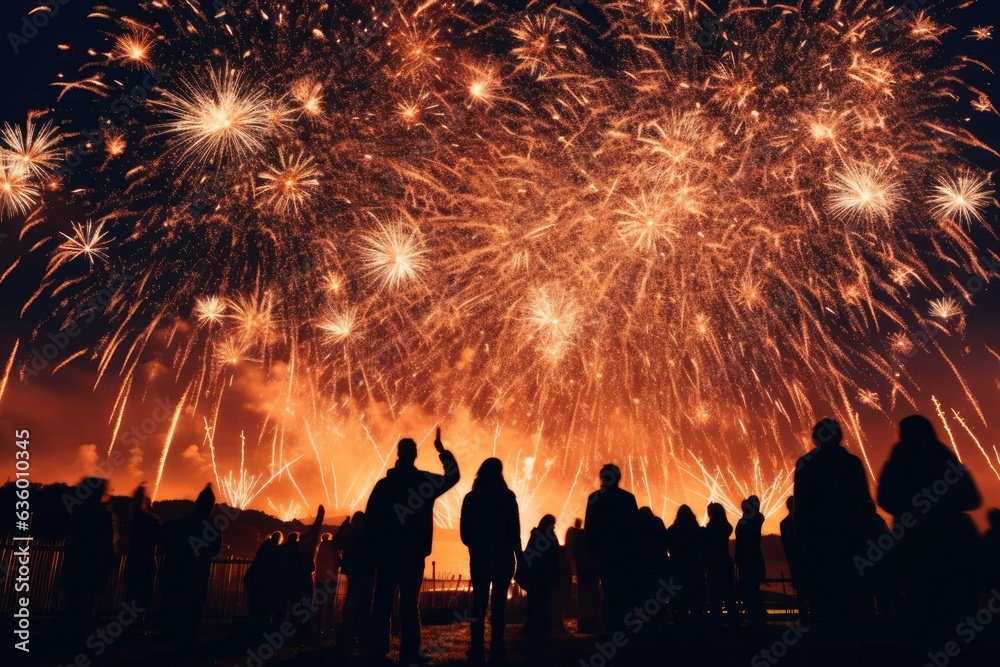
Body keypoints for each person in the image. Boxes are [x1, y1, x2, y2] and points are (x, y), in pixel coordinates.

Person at [877, 414, 982, 634]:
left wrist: (908, 510)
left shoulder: (899, 459)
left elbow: (884, 497)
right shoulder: (944, 456)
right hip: (948, 540)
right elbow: (972, 497)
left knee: (919, 596)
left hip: (913, 540)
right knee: (950, 600)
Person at [365, 428, 460, 665]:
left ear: (398, 454)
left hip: (386, 554)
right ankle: (409, 652)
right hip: (412, 554)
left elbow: (371, 523)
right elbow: (453, 477)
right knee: (410, 604)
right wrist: (441, 451)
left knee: (382, 603)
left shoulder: (384, 486)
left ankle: (378, 650)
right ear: (414, 455)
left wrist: (373, 552)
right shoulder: (424, 482)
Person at [794, 418, 878, 636]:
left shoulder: (806, 464)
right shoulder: (852, 463)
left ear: (815, 438)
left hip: (819, 543)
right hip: (853, 541)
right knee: (856, 601)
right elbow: (864, 503)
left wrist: (801, 544)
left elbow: (801, 510)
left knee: (823, 604)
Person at [460, 458, 521, 663]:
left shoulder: (472, 498)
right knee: (499, 606)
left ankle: (476, 647)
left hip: (480, 559)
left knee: (478, 603)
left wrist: (476, 546)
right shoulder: (507, 497)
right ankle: (497, 647)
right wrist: (519, 558)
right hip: (504, 559)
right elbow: (515, 531)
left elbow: (464, 533)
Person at [159, 483, 221, 646]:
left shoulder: (180, 523)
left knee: (175, 602)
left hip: (177, 570)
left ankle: (170, 635)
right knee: (193, 606)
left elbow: (166, 542)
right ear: (211, 506)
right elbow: (215, 549)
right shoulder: (213, 526)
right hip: (198, 573)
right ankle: (187, 638)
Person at [584, 464, 640, 634]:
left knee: (609, 591)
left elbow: (590, 528)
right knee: (624, 590)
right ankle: (625, 627)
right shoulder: (628, 498)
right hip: (625, 553)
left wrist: (593, 551)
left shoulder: (594, 498)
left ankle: (610, 628)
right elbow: (635, 528)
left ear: (602, 478)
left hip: (605, 553)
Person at [61, 477, 115, 640]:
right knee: (86, 599)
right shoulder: (101, 513)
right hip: (91, 565)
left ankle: (69, 635)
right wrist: (109, 561)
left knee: (74, 600)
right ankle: (80, 635)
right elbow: (105, 540)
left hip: (76, 564)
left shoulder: (76, 510)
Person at [521, 514, 561, 645]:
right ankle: (542, 631)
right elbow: (555, 557)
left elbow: (528, 554)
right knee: (543, 604)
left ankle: (530, 629)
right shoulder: (551, 537)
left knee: (533, 604)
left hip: (534, 576)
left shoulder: (536, 535)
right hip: (545, 577)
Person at [337, 511, 374, 653]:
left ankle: (348, 634)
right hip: (366, 573)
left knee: (351, 603)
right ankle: (361, 634)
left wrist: (343, 528)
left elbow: (337, 544)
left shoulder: (349, 535)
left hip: (354, 574)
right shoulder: (367, 535)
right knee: (364, 604)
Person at [123, 484, 161, 620]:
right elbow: (160, 538)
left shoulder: (133, 517)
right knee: (143, 594)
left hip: (133, 559)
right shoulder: (148, 519)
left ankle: (126, 627)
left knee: (130, 594)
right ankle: (135, 625)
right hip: (146, 561)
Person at [664, 504, 706, 621]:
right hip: (695, 570)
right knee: (696, 602)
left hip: (678, 569)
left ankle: (680, 628)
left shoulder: (672, 530)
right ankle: (697, 629)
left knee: (679, 602)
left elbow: (666, 548)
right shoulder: (699, 531)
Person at [735, 496, 766, 628]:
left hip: (747, 561)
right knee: (752, 590)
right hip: (752, 559)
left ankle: (756, 617)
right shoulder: (755, 519)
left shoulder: (748, 521)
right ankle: (758, 617)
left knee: (749, 590)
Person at [566, 518, 601, 634]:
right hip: (592, 568)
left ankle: (584, 623)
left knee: (584, 595)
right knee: (592, 595)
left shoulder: (580, 535)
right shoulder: (595, 535)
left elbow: (574, 550)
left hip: (583, 568)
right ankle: (591, 623)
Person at [245, 531, 283, 633]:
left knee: (256, 602)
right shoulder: (275, 550)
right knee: (266, 603)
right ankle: (263, 625)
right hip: (266, 580)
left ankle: (255, 624)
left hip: (257, 579)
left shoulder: (264, 547)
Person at [705, 502, 735, 625]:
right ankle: (733, 622)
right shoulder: (726, 527)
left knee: (714, 596)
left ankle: (716, 623)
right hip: (726, 563)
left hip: (714, 565)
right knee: (729, 596)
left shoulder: (711, 528)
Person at [778, 496, 805, 621]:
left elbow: (787, 546)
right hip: (806, 563)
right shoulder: (806, 521)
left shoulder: (784, 524)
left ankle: (803, 621)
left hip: (794, 563)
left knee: (801, 595)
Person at [315, 532, 341, 634]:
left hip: (321, 580)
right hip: (331, 580)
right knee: (330, 604)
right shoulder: (332, 549)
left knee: (319, 604)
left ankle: (317, 627)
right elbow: (338, 562)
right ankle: (328, 627)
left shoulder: (320, 550)